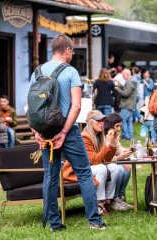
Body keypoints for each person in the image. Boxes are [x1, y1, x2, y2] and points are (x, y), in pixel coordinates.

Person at [29, 34, 106, 231]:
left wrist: (36, 131)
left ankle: (54, 224)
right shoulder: (70, 72)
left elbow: (30, 106)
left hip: (45, 131)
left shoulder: (37, 71)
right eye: (72, 50)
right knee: (84, 174)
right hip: (67, 131)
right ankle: (95, 221)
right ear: (68, 50)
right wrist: (64, 132)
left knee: (50, 176)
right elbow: (77, 106)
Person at [63, 110, 120, 215]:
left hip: (89, 167)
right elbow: (95, 161)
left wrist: (113, 144)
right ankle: (99, 204)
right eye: (98, 120)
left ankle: (108, 201)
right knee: (101, 169)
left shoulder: (99, 136)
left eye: (103, 120)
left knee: (114, 168)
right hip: (76, 170)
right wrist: (107, 144)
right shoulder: (85, 137)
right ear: (90, 122)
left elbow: (107, 160)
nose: (102, 123)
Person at [103, 113, 134, 211]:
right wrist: (119, 156)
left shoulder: (115, 135)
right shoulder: (104, 136)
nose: (119, 129)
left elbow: (119, 148)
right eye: (117, 126)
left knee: (128, 166)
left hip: (112, 162)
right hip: (103, 164)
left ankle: (120, 198)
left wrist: (126, 151)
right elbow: (105, 157)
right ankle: (114, 200)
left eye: (119, 126)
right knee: (119, 169)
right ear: (110, 125)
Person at [115, 69, 137, 140]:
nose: (122, 76)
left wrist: (118, 89)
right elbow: (126, 90)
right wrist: (121, 86)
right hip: (130, 105)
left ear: (127, 74)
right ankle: (130, 137)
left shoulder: (129, 83)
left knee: (122, 120)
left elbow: (125, 94)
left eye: (123, 75)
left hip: (127, 105)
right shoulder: (131, 82)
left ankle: (126, 136)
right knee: (129, 121)